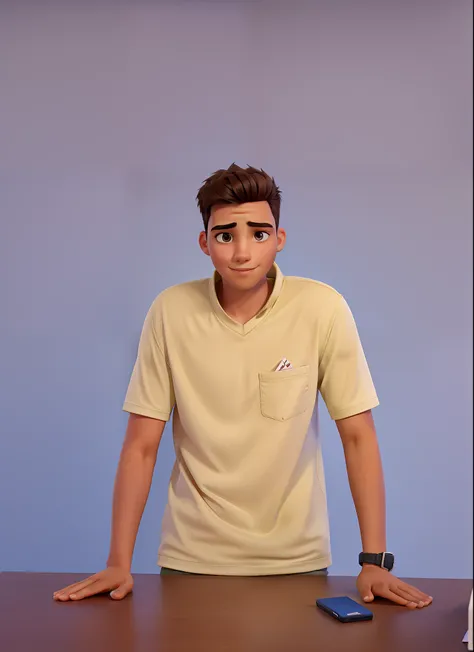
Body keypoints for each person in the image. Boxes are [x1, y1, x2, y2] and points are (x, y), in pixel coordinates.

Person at [54, 163, 432, 609]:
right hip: (190, 562)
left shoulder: (322, 309)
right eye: (225, 235)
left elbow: (357, 435)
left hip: (296, 563)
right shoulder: (170, 311)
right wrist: (118, 561)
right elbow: (141, 446)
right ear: (204, 242)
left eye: (258, 233)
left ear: (279, 239)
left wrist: (375, 560)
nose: (241, 252)